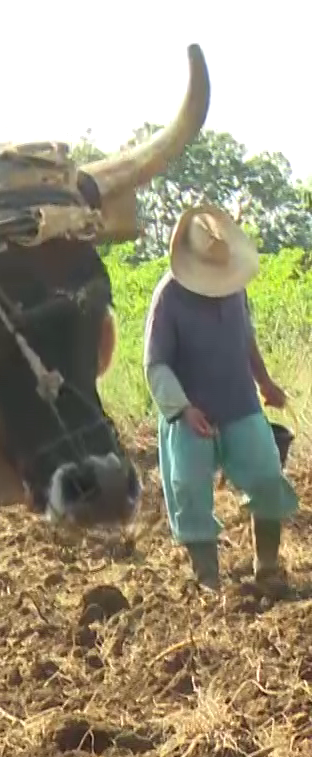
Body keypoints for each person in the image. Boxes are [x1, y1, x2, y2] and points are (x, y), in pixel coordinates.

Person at [144, 202, 297, 590]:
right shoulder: (169, 297)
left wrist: (265, 382)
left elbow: (245, 339)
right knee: (190, 490)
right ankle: (209, 581)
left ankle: (266, 566)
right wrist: (183, 408)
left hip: (239, 402)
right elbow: (156, 364)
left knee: (266, 475)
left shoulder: (234, 287)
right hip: (190, 411)